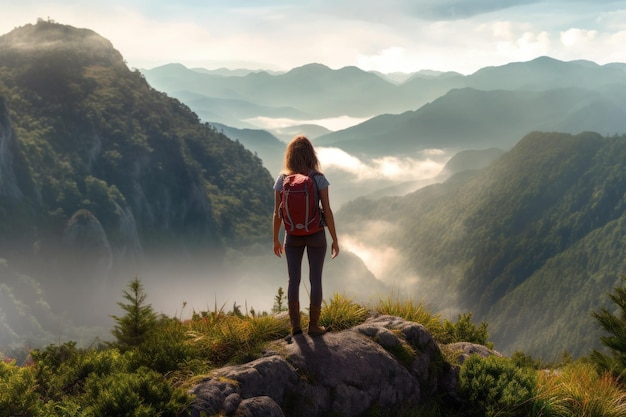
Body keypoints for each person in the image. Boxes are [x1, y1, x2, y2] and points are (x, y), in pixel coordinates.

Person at [273, 135, 339, 336]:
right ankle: (314, 326)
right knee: (315, 279)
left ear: (290, 156)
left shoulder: (282, 180)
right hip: (316, 235)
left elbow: (277, 212)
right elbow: (326, 211)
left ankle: (295, 327)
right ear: (312, 155)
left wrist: (275, 238)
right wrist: (335, 239)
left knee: (293, 279)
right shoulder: (318, 178)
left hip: (292, 235)